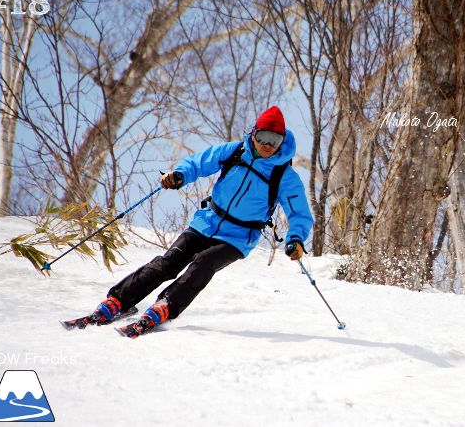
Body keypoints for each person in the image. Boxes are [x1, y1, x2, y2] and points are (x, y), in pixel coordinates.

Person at [82, 106, 313, 336]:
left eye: (275, 140)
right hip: (207, 222)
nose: (267, 145)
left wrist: (296, 239)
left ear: (282, 142)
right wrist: (179, 175)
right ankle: (118, 301)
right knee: (169, 262)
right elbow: (198, 163)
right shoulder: (235, 151)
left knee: (203, 263)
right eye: (263, 137)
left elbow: (300, 214)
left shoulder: (284, 176)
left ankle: (166, 306)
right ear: (254, 133)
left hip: (238, 237)